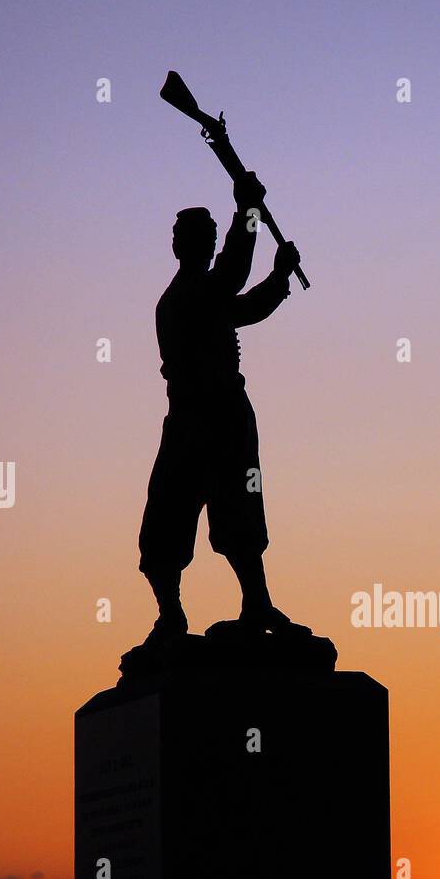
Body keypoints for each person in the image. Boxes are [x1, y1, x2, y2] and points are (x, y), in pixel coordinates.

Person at [138, 170, 305, 641]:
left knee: (239, 514)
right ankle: (171, 615)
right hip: (194, 420)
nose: (207, 246)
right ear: (180, 246)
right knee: (167, 521)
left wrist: (278, 275)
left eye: (210, 239)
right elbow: (233, 277)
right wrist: (247, 209)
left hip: (226, 417)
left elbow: (244, 307)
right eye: (200, 239)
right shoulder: (181, 298)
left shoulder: (205, 294)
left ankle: (257, 603)